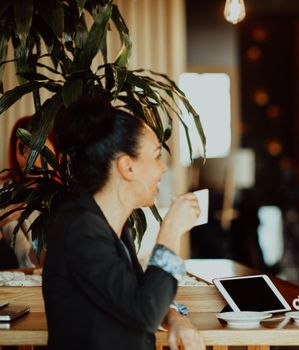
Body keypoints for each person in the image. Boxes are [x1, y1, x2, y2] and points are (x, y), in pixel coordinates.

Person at [42, 98, 205, 350]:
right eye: (156, 157)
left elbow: (134, 294)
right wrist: (170, 230)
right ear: (127, 167)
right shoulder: (81, 229)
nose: (163, 168)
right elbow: (145, 311)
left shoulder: (111, 225)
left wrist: (176, 318)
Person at [0, 116, 56, 269]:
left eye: (39, 146)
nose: (31, 157)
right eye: (23, 149)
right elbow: (24, 261)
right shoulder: (4, 192)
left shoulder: (69, 195)